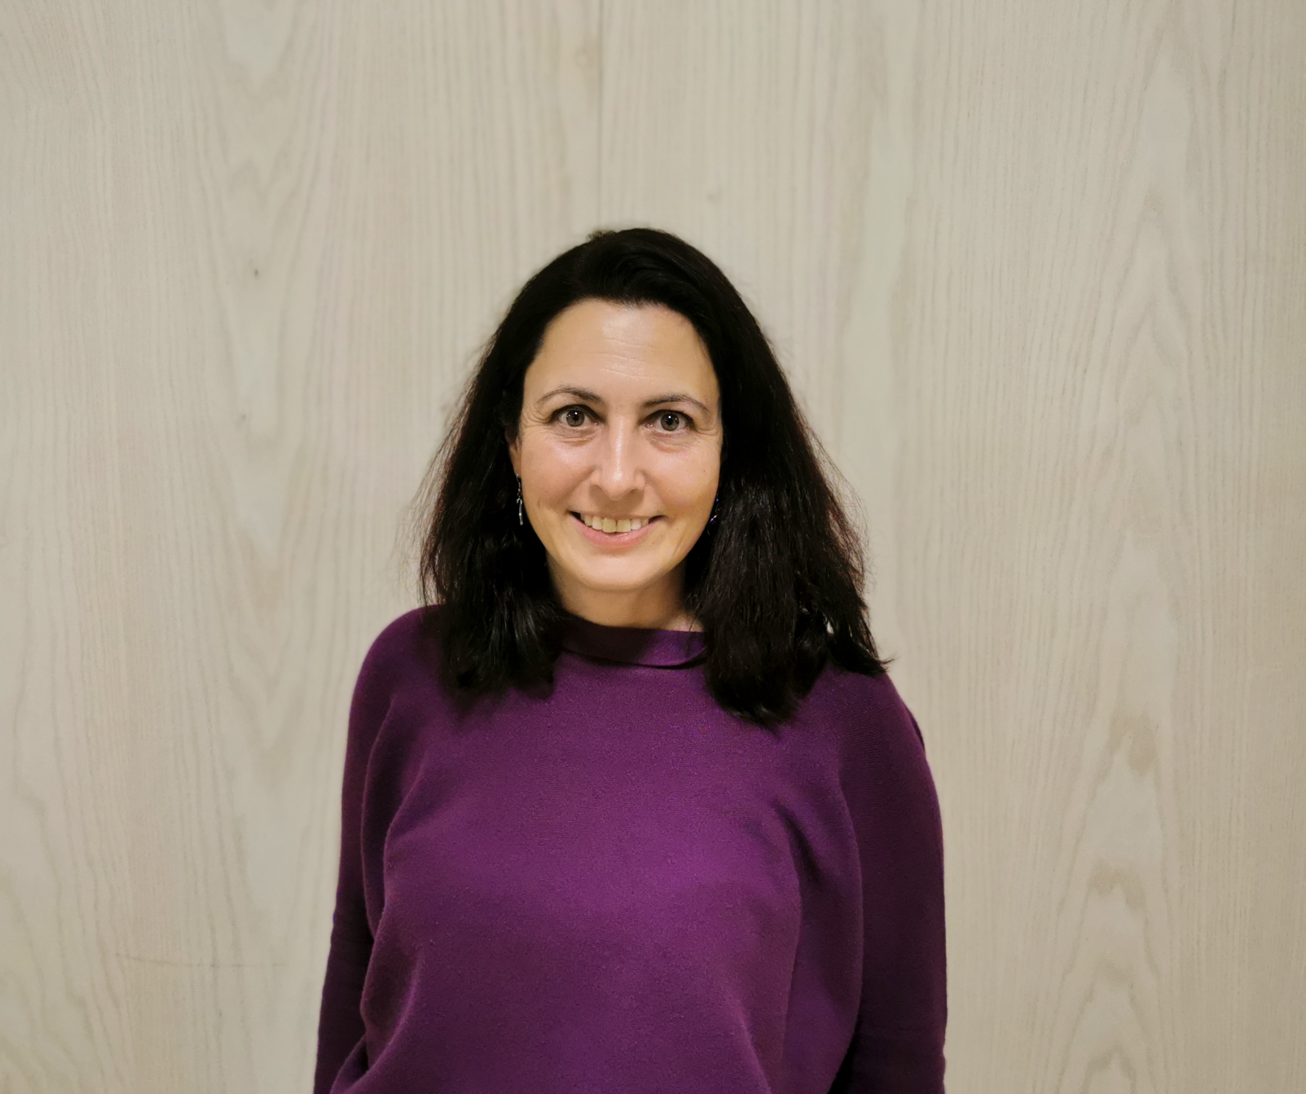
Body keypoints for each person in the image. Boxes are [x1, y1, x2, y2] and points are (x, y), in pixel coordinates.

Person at [312, 227, 946, 1093]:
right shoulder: (411, 672)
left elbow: (895, 1062)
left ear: (730, 452)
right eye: (573, 417)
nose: (616, 476)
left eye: (668, 422)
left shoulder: (843, 721)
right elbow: (357, 983)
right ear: (512, 441)